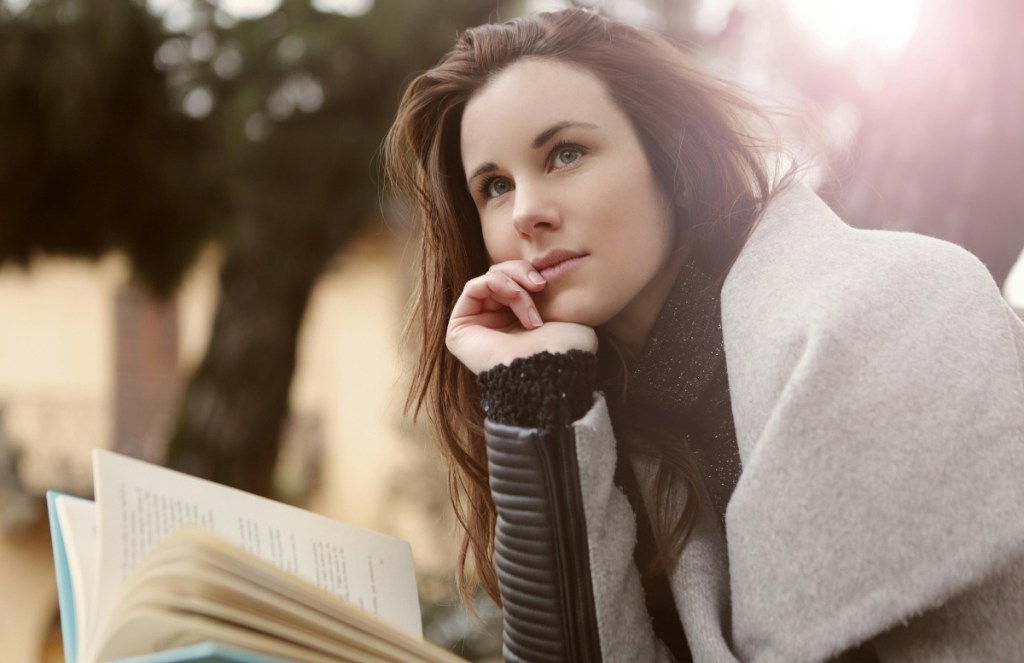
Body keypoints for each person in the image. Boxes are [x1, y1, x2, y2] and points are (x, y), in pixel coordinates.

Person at [384, 8, 1024, 662]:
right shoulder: (610, 423)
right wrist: (537, 394)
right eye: (494, 186)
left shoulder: (887, 307)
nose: (526, 213)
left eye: (566, 153)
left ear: (672, 156)